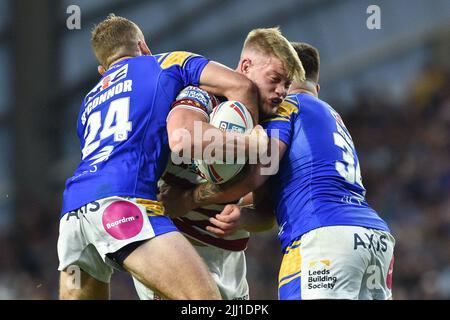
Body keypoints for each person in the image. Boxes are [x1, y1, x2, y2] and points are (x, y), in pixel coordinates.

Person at [57, 14, 265, 300]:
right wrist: (246, 148)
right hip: (122, 203)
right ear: (143, 47)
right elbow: (243, 86)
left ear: (102, 69)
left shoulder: (89, 102)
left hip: (72, 212)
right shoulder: (167, 61)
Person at [166, 42, 396, 300]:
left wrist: (190, 198)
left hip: (322, 236)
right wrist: (243, 216)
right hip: (374, 238)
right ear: (316, 88)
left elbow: (257, 173)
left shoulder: (289, 106)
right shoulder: (331, 116)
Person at [132, 27, 305, 300]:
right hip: (177, 248)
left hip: (231, 262)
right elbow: (183, 138)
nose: (282, 91)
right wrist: (250, 144)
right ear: (246, 66)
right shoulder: (203, 95)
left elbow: (266, 215)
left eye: (287, 84)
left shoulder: (275, 125)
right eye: (275, 79)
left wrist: (243, 217)